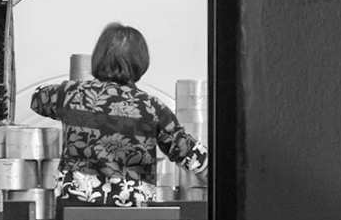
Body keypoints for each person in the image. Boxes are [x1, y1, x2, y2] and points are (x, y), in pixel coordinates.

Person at [29, 22, 208, 207]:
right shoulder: (151, 108)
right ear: (141, 62)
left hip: (76, 212)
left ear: (99, 57)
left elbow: (37, 99)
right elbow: (188, 152)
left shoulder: (71, 95)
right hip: (133, 217)